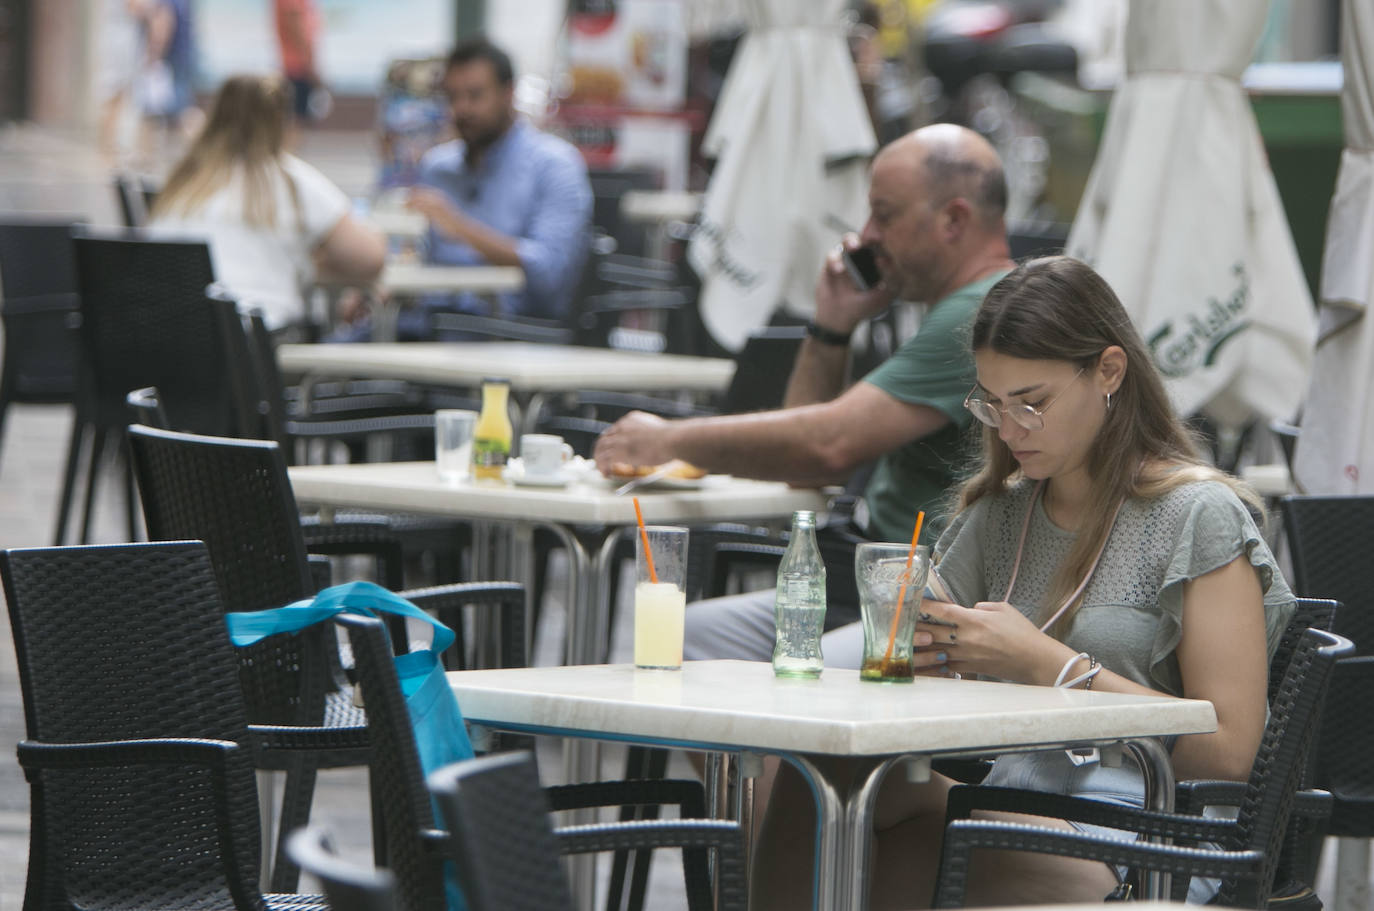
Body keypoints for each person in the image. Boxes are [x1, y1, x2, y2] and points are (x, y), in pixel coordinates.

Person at [752, 256, 1297, 909]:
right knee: (819, 776)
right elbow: (926, 702)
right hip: (1010, 804)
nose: (1010, 430)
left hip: (1149, 840)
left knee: (899, 854)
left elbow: (1231, 752)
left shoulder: (1196, 516)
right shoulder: (1000, 515)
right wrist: (926, 664)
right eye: (993, 404)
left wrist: (1050, 665)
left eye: (1033, 403)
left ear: (1109, 372)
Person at [593, 122, 1014, 643]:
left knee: (673, 642)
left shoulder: (978, 313)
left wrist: (666, 440)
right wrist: (831, 327)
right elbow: (803, 476)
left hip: (918, 608)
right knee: (678, 634)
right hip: (867, 581)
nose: (868, 236)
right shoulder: (965, 305)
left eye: (884, 214)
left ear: (954, 220)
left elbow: (825, 447)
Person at [148, 75, 386, 334]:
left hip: (173, 341)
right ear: (282, 124)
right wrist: (308, 260)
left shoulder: (182, 180)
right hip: (259, 343)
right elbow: (370, 259)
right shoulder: (287, 177)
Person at [402, 37, 592, 332]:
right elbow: (417, 254)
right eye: (453, 97)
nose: (462, 109)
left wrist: (461, 228)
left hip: (508, 332)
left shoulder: (554, 165)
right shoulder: (436, 168)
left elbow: (549, 272)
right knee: (339, 358)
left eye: (475, 95)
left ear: (509, 93)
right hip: (426, 322)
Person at [274, 0, 326, 124]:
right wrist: (310, 65)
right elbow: (296, 29)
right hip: (298, 67)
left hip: (295, 65)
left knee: (296, 118)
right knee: (297, 119)